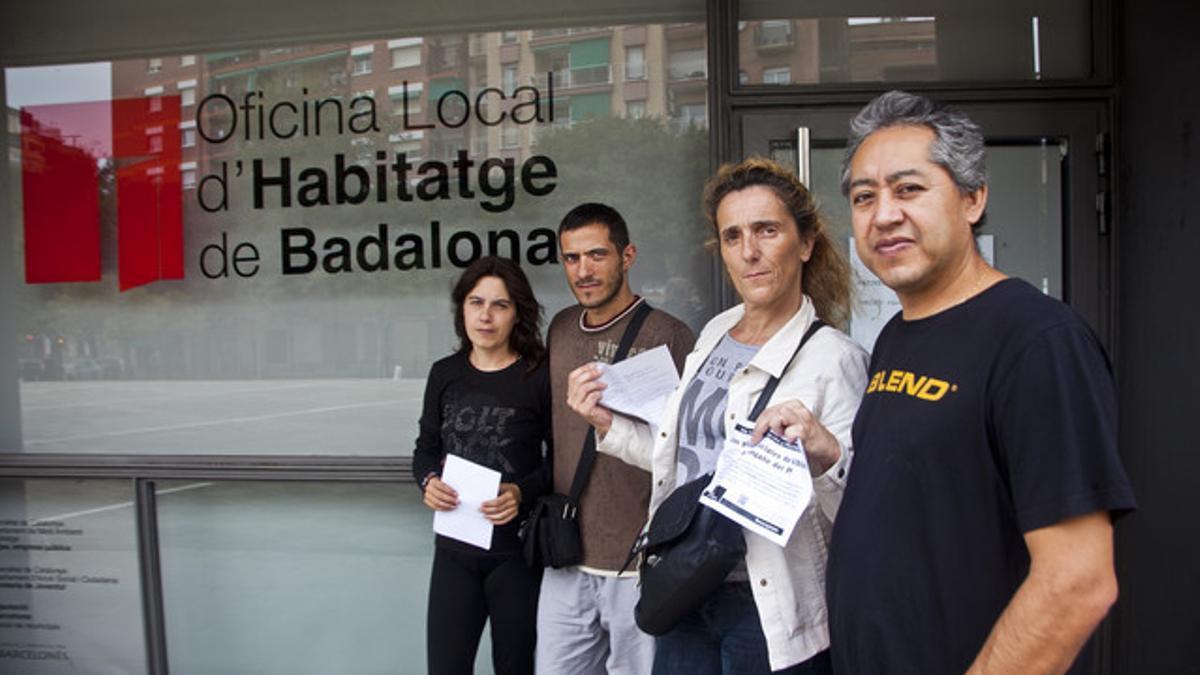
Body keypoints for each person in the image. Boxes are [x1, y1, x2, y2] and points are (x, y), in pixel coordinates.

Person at [826, 91, 1137, 674]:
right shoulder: (896, 335)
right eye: (864, 197)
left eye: (908, 189)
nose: (883, 214)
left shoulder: (1039, 342)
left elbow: (1077, 582)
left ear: (972, 198)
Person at [567, 159, 869, 674]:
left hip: (764, 604)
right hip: (684, 585)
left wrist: (827, 455)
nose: (748, 251)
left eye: (766, 230)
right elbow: (683, 458)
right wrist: (608, 426)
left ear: (805, 243)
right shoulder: (714, 334)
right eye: (732, 236)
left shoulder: (835, 359)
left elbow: (862, 510)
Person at [537, 203, 695, 675]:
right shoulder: (561, 328)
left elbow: (687, 451)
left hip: (638, 563)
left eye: (597, 255)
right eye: (571, 258)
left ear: (627, 256)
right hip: (567, 557)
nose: (583, 270)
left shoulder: (670, 335)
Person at [413, 256, 553, 675]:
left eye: (500, 305)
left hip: (515, 555)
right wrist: (427, 480)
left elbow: (561, 462)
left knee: (515, 667)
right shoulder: (444, 374)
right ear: (462, 309)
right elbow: (425, 448)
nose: (486, 316)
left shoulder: (538, 376)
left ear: (517, 314)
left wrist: (520, 492)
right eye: (476, 303)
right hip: (454, 552)